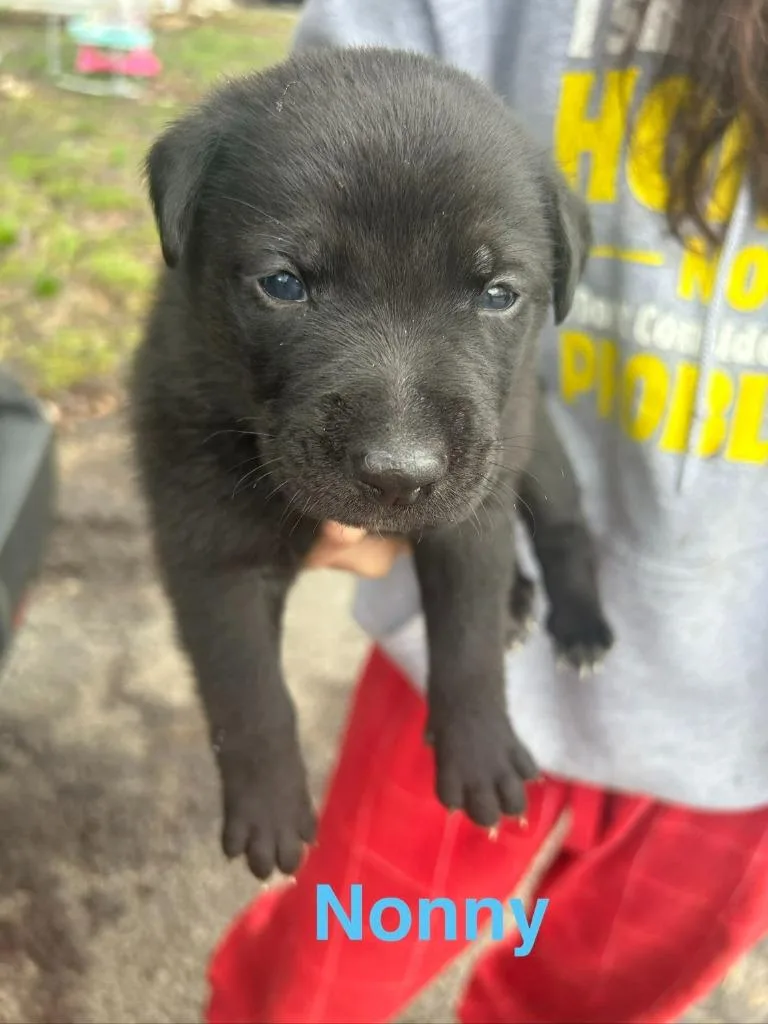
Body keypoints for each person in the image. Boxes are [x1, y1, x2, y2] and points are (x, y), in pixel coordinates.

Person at [206, 1, 768, 1021]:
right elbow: (297, 159)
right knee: (316, 987)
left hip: (747, 717)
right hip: (464, 658)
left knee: (592, 1001)